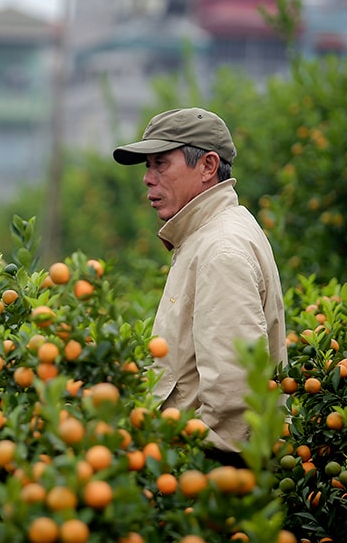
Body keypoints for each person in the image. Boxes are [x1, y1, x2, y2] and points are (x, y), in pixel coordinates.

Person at [113, 107, 287, 466]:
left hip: (210, 480)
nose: (148, 178)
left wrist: (191, 474)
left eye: (161, 163)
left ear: (208, 166)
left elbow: (233, 402)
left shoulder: (219, 250)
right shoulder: (206, 237)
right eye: (148, 166)